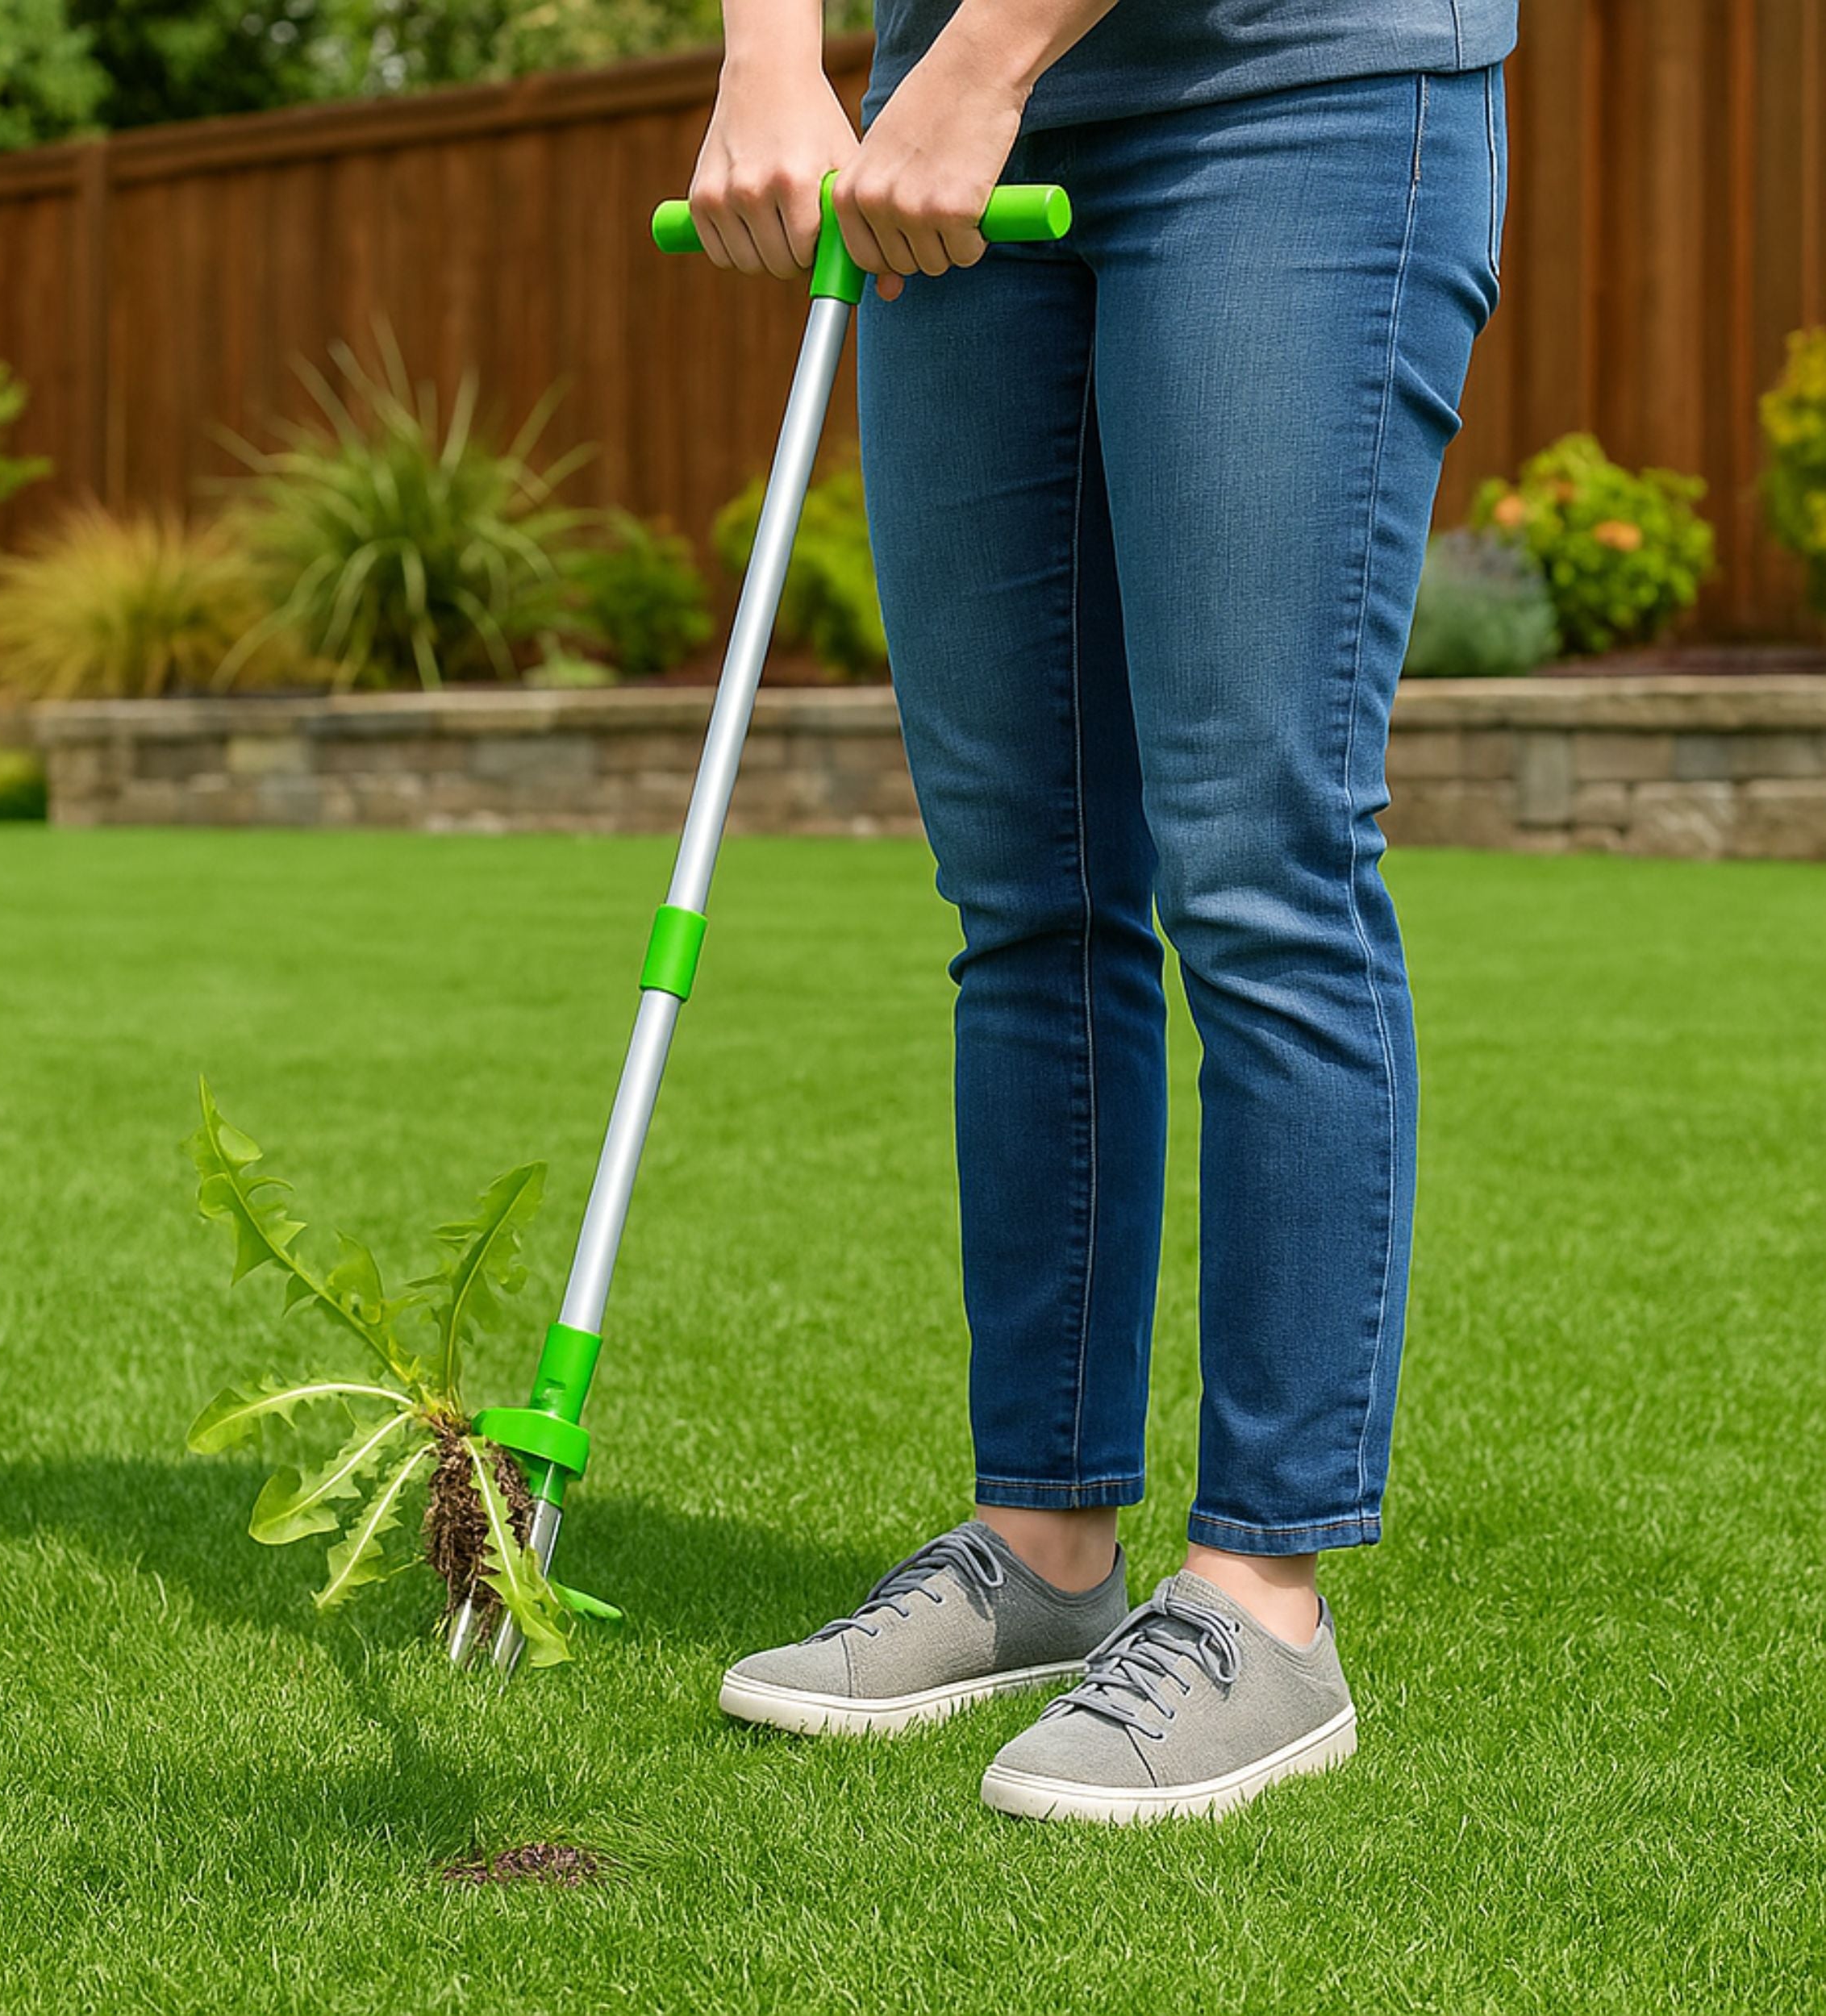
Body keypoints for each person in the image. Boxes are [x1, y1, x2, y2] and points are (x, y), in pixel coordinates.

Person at [694, 0, 1514, 1822]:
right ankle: (1042, 1544)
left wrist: (981, 62)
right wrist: (771, 54)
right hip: (951, 123)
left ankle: (1262, 1602)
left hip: (1289, 90)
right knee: (1023, 880)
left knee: (1254, 857)